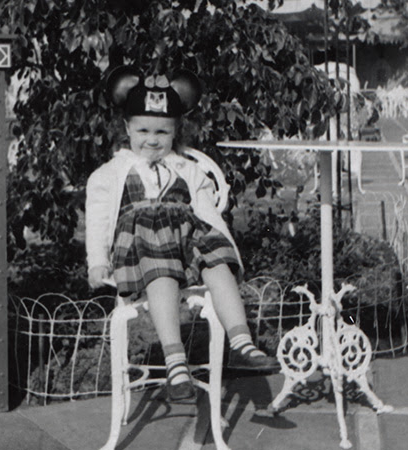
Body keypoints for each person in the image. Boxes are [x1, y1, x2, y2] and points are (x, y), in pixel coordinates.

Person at [86, 67, 278, 404]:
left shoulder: (187, 169)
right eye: (143, 130)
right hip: (143, 246)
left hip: (189, 239)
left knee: (218, 266)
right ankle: (176, 362)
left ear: (175, 131)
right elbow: (99, 219)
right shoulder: (111, 173)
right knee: (162, 274)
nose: (152, 140)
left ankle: (242, 342)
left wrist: (227, 253)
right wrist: (97, 262)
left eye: (162, 132)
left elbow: (207, 214)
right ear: (127, 128)